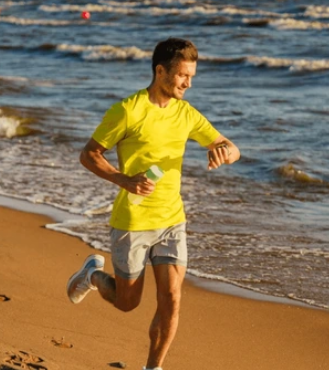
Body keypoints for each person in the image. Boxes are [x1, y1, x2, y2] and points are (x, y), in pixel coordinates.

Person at [67, 37, 240, 370]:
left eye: (192, 76)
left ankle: (153, 368)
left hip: (172, 220)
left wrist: (225, 153)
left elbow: (229, 145)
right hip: (132, 221)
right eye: (182, 76)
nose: (188, 84)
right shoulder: (127, 110)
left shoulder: (186, 113)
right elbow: (89, 154)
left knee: (172, 299)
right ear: (160, 71)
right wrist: (124, 180)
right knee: (127, 302)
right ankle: (93, 275)